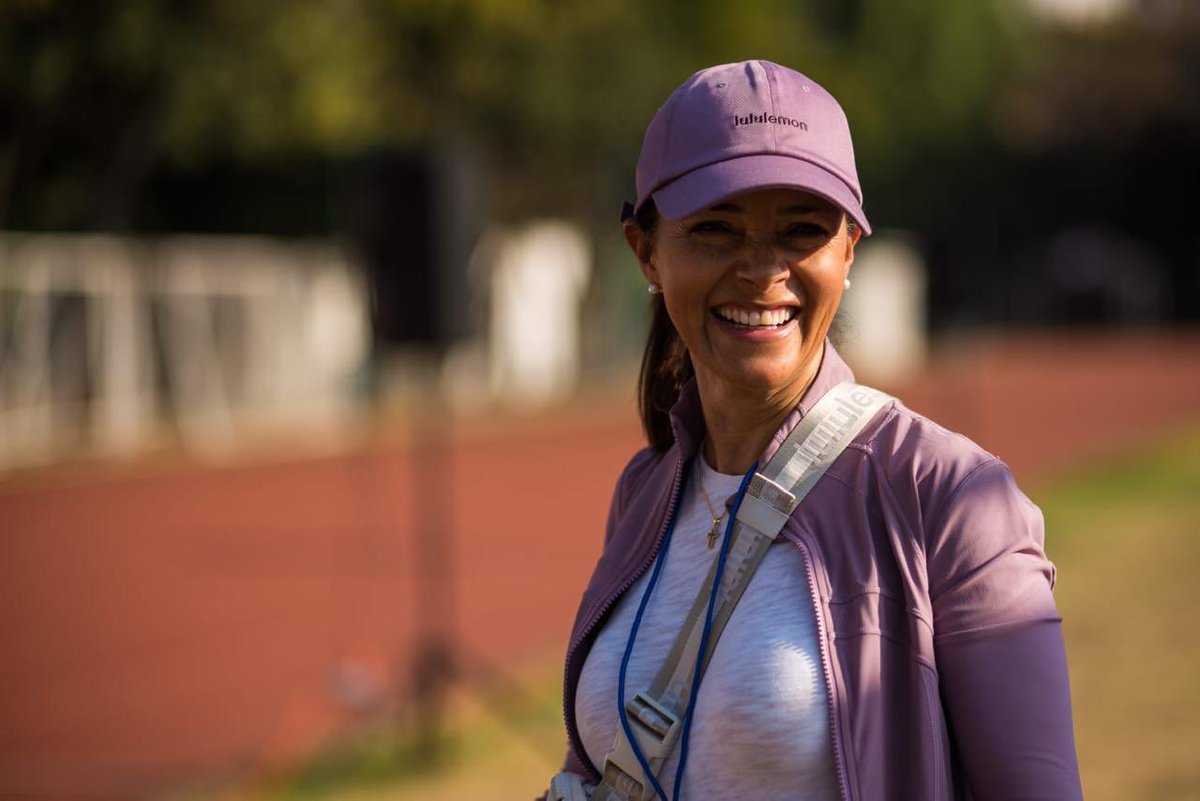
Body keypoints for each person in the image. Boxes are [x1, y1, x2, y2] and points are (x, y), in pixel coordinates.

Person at [551, 60, 1082, 800]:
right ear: (646, 250)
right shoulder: (645, 491)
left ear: (849, 250)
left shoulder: (952, 498)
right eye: (715, 229)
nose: (764, 270)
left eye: (803, 230)